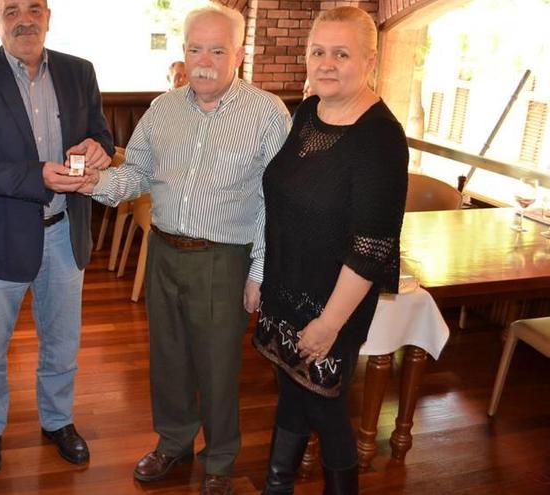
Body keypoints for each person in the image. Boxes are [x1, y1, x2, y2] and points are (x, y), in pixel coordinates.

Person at [81, 5, 290, 494]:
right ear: (183, 51)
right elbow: (135, 175)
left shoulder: (267, 113)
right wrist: (93, 182)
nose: (204, 60)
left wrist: (260, 270)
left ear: (239, 53)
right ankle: (173, 442)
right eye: (196, 48)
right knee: (168, 357)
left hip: (223, 258)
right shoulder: (163, 109)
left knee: (217, 366)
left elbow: (275, 202)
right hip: (163, 251)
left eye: (218, 50)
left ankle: (219, 460)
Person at [0, 0, 113, 478]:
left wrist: (96, 148)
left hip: (65, 234)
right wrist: (37, 175)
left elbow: (98, 132)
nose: (25, 18)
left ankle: (58, 421)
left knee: (62, 342)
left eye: (34, 7)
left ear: (48, 16)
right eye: (11, 9)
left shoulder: (80, 72)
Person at [253, 6, 408, 495]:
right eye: (318, 51)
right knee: (290, 393)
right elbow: (278, 202)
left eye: (341, 54)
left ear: (370, 61)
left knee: (325, 406)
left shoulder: (381, 138)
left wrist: (329, 324)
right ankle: (278, 485)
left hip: (332, 307)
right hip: (285, 289)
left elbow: (371, 246)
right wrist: (259, 275)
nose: (326, 63)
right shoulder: (306, 112)